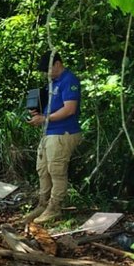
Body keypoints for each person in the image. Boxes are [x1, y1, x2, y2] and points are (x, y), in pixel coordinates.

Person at [24, 50, 83, 224]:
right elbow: (51, 106)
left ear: (57, 64)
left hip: (63, 132)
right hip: (49, 132)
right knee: (43, 169)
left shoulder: (69, 80)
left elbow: (70, 109)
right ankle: (43, 204)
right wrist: (37, 112)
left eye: (48, 69)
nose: (46, 73)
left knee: (56, 171)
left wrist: (44, 118)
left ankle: (55, 208)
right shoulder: (52, 83)